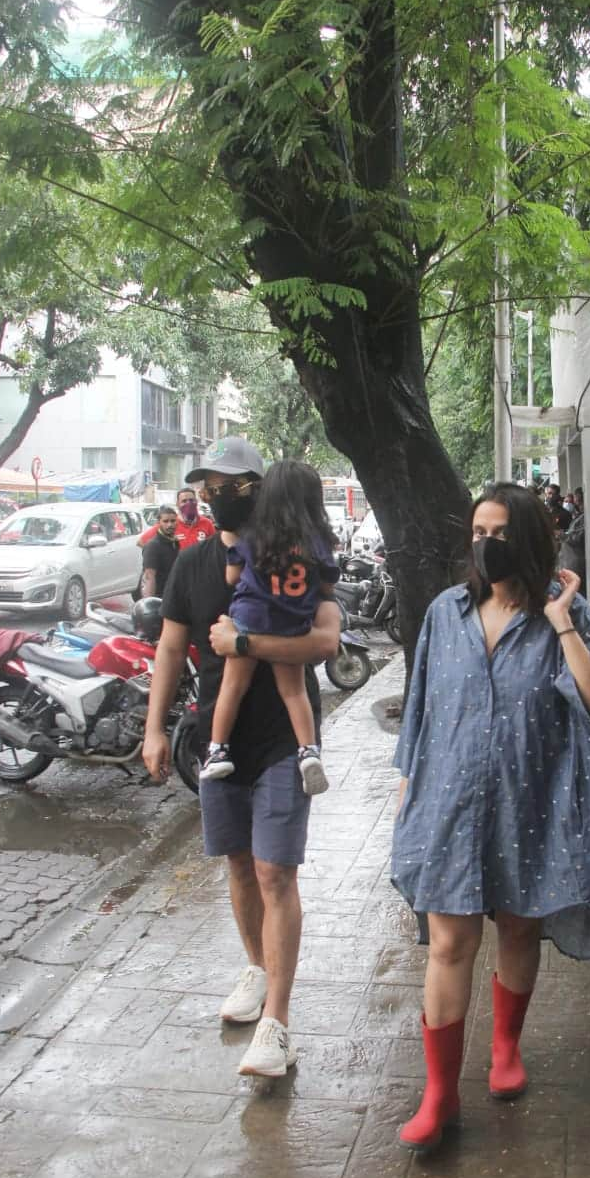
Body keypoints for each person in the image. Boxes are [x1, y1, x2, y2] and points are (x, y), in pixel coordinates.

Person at [391, 482, 590, 1152]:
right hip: (450, 803)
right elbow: (421, 708)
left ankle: (505, 1047)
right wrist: (410, 793)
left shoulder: (564, 614)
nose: (483, 544)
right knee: (447, 944)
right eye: (476, 531)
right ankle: (438, 1095)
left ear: (526, 541)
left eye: (497, 533)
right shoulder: (447, 612)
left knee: (519, 931)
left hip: (532, 803)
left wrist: (560, 619)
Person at [142, 435, 340, 1080]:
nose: (214, 495)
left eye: (229, 485)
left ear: (259, 489)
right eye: (208, 485)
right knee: (236, 864)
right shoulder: (193, 563)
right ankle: (257, 969)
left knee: (275, 872)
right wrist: (155, 729)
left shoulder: (297, 553)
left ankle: (278, 1023)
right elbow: (172, 651)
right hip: (215, 740)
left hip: (283, 736)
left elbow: (325, 642)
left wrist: (247, 640)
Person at [199, 459, 339, 794]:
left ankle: (218, 750)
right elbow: (328, 587)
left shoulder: (253, 536)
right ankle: (308, 752)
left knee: (232, 687)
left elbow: (232, 576)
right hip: (292, 625)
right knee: (294, 692)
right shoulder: (315, 543)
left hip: (249, 621)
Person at [137, 486, 216, 550]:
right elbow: (141, 542)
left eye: (191, 500)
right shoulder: (169, 523)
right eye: (184, 501)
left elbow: (214, 548)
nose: (189, 504)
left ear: (196, 502)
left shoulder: (207, 523)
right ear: (177, 504)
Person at [140, 506, 179, 599]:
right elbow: (149, 577)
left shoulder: (175, 542)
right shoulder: (153, 545)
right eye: (165, 521)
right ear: (159, 523)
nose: (170, 525)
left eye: (173, 521)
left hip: (174, 597)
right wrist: (149, 602)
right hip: (160, 598)